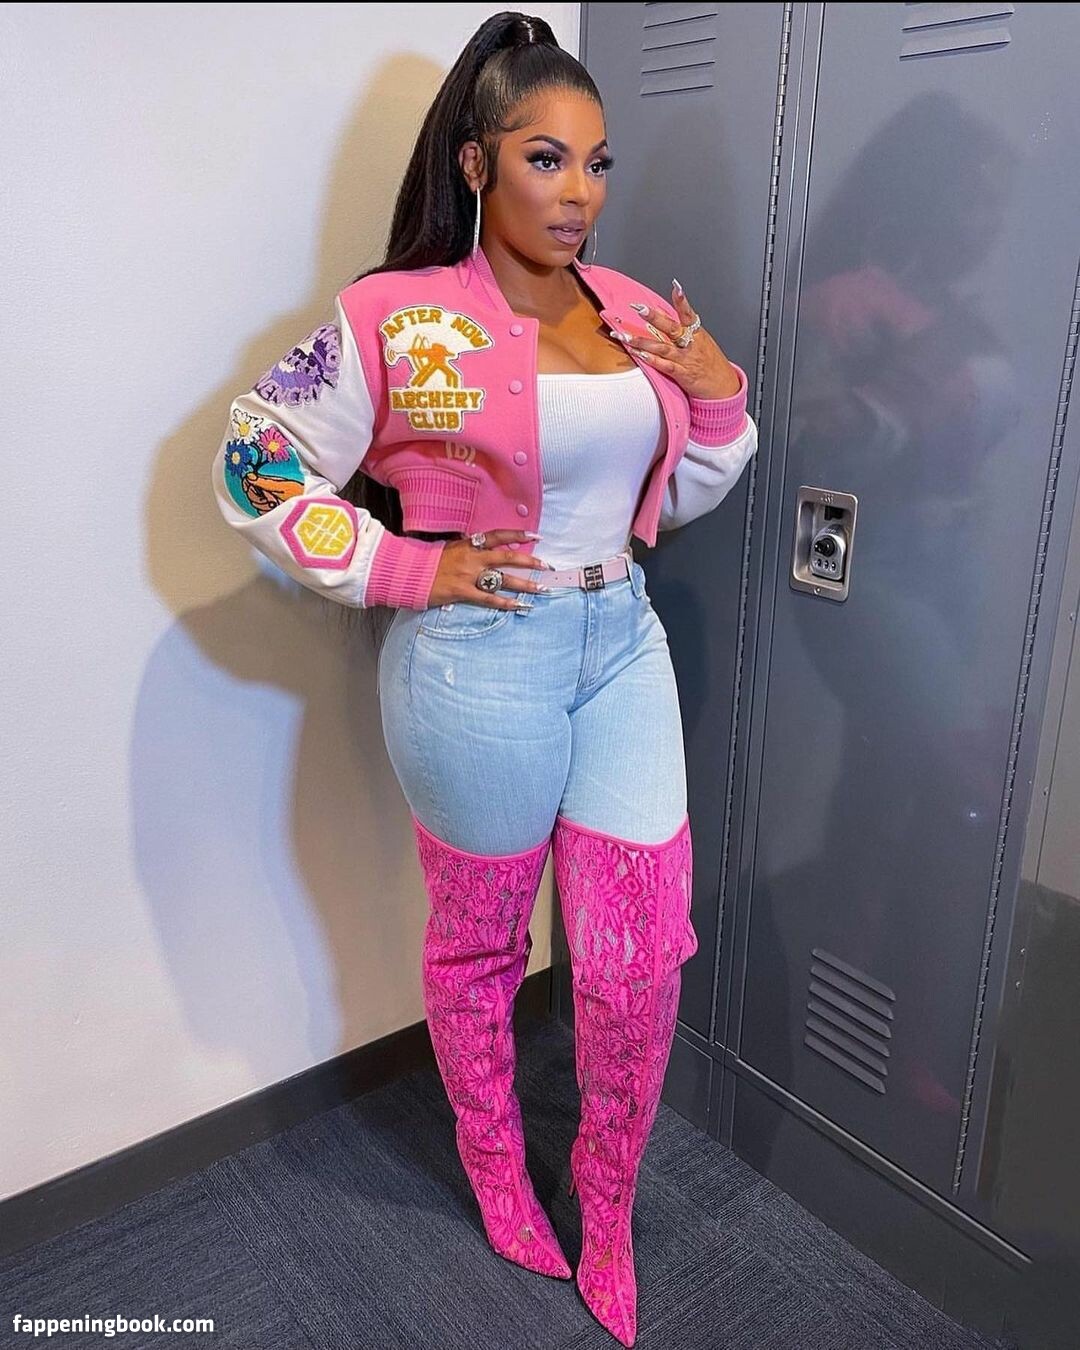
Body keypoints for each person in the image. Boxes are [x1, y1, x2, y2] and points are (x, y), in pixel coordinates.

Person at [210, 12, 757, 1347]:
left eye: (597, 164)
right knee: (483, 947)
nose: (580, 194)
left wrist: (720, 391)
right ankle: (500, 1165)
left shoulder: (634, 311)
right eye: (545, 159)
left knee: (636, 961)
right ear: (476, 163)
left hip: (620, 640)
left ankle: (607, 1201)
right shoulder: (396, 318)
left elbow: (682, 487)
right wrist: (407, 566)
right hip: (475, 666)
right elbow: (253, 462)